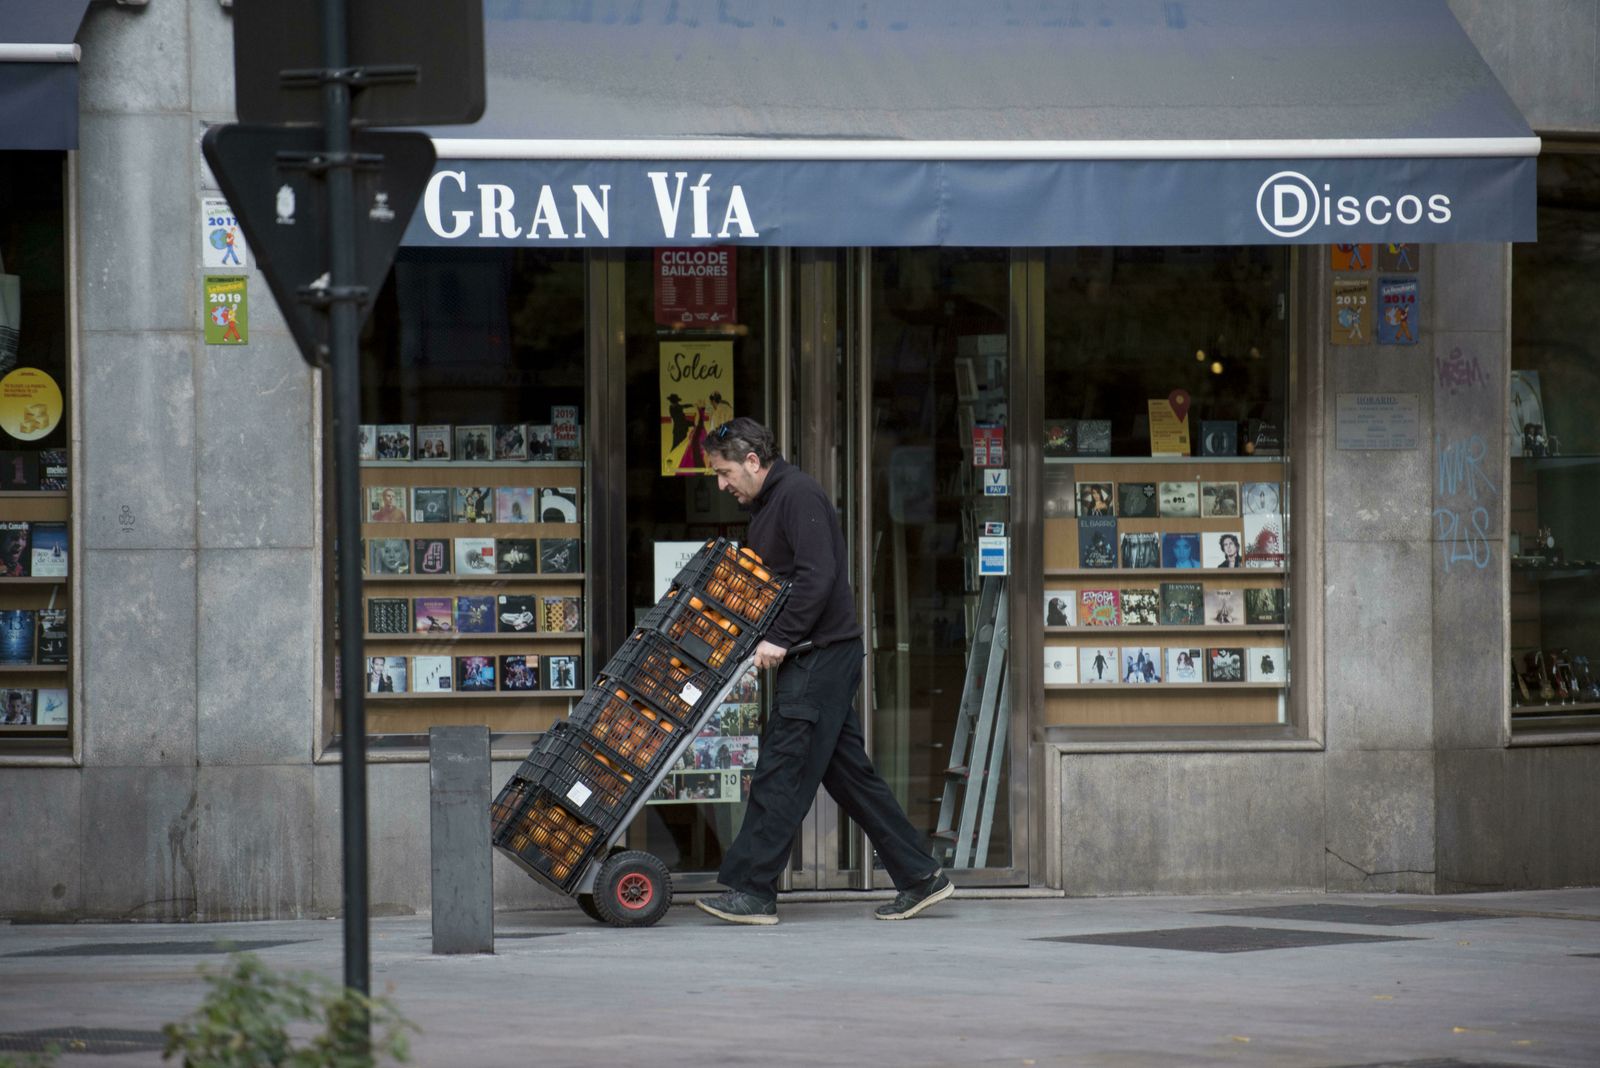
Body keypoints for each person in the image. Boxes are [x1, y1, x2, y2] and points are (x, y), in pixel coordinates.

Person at [697, 417, 952, 925]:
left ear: (753, 461)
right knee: (850, 777)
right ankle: (921, 877)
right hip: (817, 654)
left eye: (725, 472)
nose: (722, 484)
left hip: (819, 656)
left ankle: (753, 892)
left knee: (781, 768)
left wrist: (779, 638)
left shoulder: (798, 496)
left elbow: (818, 578)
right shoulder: (772, 502)